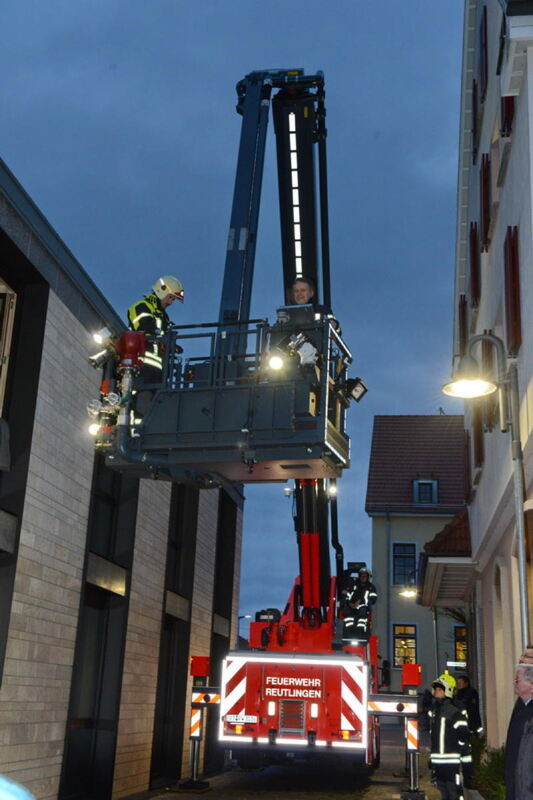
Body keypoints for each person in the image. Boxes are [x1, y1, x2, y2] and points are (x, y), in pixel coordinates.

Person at [127, 275, 185, 381]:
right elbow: (144, 328)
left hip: (157, 371)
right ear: (161, 290)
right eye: (170, 297)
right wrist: (165, 340)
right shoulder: (142, 307)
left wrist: (172, 345)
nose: (170, 303)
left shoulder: (164, 317)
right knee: (143, 396)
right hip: (140, 365)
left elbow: (161, 337)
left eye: (173, 300)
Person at [427, 673, 471, 800]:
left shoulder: (454, 711)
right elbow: (434, 737)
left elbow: (464, 738)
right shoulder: (435, 711)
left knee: (454, 793)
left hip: (452, 763)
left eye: (440, 689)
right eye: (435, 689)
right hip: (438, 762)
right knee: (442, 794)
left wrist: (467, 765)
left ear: (448, 691)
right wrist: (432, 758)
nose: (436, 691)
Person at [505, 663, 533, 800]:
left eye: (518, 680)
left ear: (531, 684)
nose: (515, 683)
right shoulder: (521, 706)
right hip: (518, 783)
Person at [342, 567, 377, 640]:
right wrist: (349, 603)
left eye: (365, 576)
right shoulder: (353, 585)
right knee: (347, 611)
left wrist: (362, 602)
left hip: (363, 606)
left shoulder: (371, 587)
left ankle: (360, 631)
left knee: (362, 612)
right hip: (351, 605)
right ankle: (349, 629)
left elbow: (373, 599)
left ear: (368, 577)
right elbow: (348, 594)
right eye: (362, 575)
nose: (363, 577)